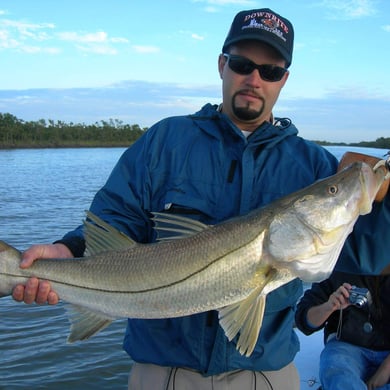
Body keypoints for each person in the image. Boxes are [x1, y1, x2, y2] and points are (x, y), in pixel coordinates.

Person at [11, 8, 340, 389]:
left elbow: (366, 256)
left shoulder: (316, 165)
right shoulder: (166, 140)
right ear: (222, 65)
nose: (254, 79)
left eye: (270, 71)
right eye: (241, 64)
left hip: (266, 372)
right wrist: (68, 249)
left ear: (284, 80)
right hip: (164, 372)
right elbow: (114, 217)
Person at [295, 270, 390, 390]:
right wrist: (329, 307)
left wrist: (386, 368)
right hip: (345, 345)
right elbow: (304, 321)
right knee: (339, 375)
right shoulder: (340, 266)